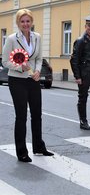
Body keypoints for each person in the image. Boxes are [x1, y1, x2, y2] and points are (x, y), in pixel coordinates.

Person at [2, 9, 54, 163]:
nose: (25, 24)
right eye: (22, 21)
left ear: (31, 22)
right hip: (17, 81)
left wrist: (38, 71)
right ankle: (22, 152)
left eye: (28, 21)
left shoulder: (37, 37)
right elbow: (5, 62)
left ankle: (39, 147)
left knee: (37, 114)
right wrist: (20, 67)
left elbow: (39, 58)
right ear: (18, 23)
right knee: (21, 116)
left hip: (34, 80)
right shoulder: (11, 39)